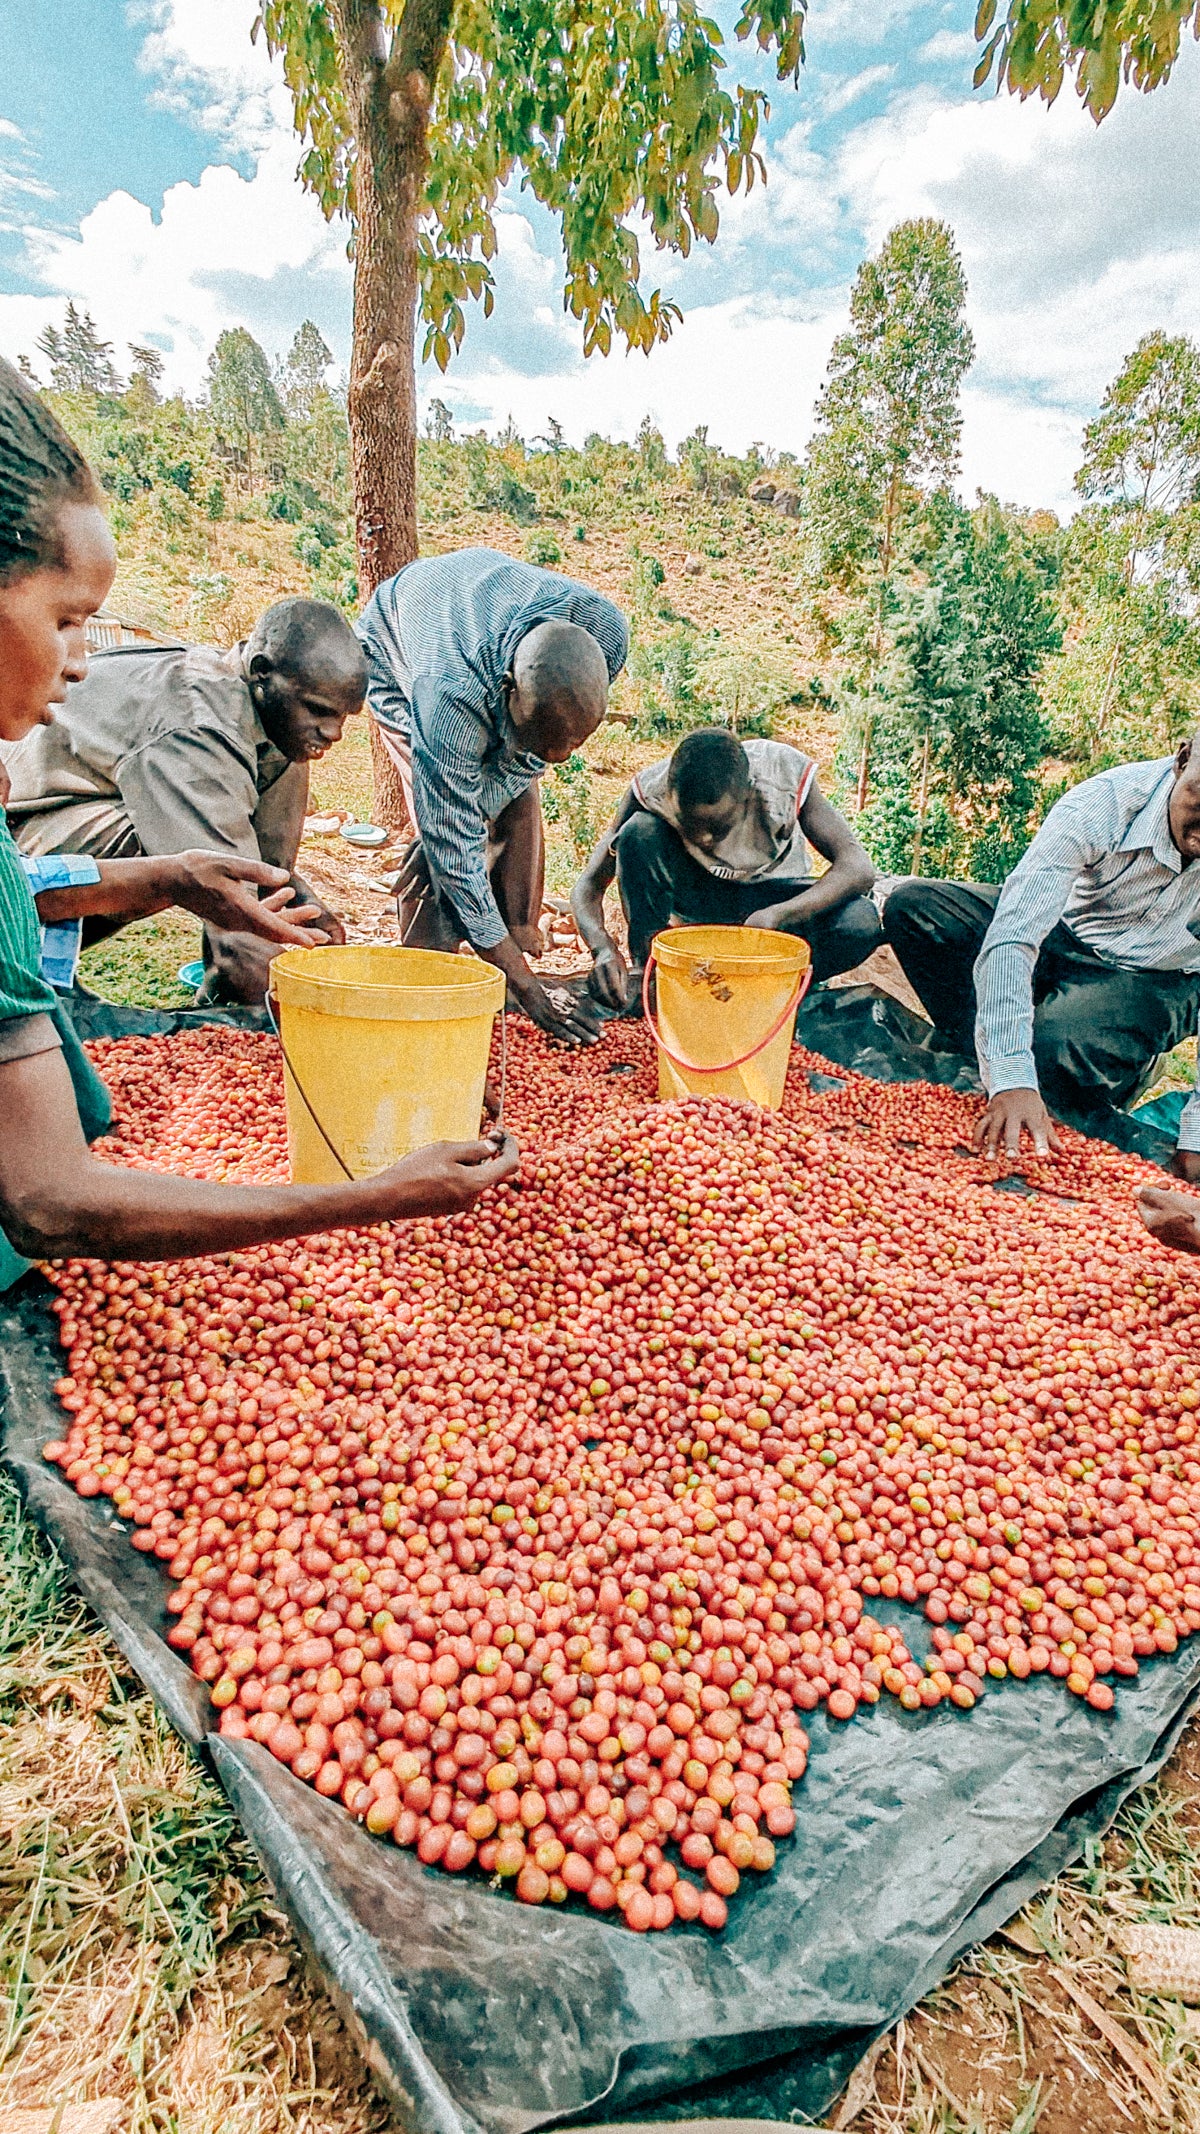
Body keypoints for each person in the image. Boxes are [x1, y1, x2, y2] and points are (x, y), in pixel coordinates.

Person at [0, 356, 517, 1286]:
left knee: (211, 884)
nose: (80, 661)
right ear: (263, 676)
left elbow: (263, 880)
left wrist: (216, 895)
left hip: (61, 864)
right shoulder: (197, 724)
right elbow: (48, 1200)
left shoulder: (276, 737)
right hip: (59, 824)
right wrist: (376, 1162)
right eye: (68, 620)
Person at [2, 592, 366, 1004]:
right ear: (261, 673)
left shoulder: (279, 719)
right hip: (17, 845)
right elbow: (229, 896)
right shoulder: (200, 724)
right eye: (318, 710)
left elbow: (265, 872)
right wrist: (314, 1011)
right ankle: (25, 967)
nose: (334, 733)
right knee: (177, 861)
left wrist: (308, 910)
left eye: (343, 717)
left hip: (67, 822)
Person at [357, 546, 628, 1045]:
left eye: (571, 745)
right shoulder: (447, 698)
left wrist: (475, 812)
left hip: (476, 619)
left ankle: (513, 937)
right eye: (545, 742)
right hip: (398, 653)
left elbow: (529, 760)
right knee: (442, 851)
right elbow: (455, 849)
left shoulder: (606, 632)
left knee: (510, 800)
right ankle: (427, 970)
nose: (559, 759)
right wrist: (531, 992)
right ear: (508, 691)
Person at [883, 742, 1200, 1167]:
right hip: (1067, 933)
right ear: (1182, 761)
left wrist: (1196, 1136)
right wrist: (1012, 1076)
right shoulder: (1105, 802)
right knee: (916, 909)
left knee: (1054, 1046)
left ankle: (1093, 1064)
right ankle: (993, 1063)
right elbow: (1014, 935)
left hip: (1158, 975)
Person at [572, 727, 881, 1007]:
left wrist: (779, 915)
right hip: (703, 901)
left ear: (748, 795)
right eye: (689, 824)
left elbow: (857, 868)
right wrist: (602, 949)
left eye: (717, 827)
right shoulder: (652, 789)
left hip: (775, 909)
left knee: (859, 922)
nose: (703, 838)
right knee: (638, 832)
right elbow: (588, 887)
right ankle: (654, 975)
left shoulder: (781, 778)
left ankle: (777, 990)